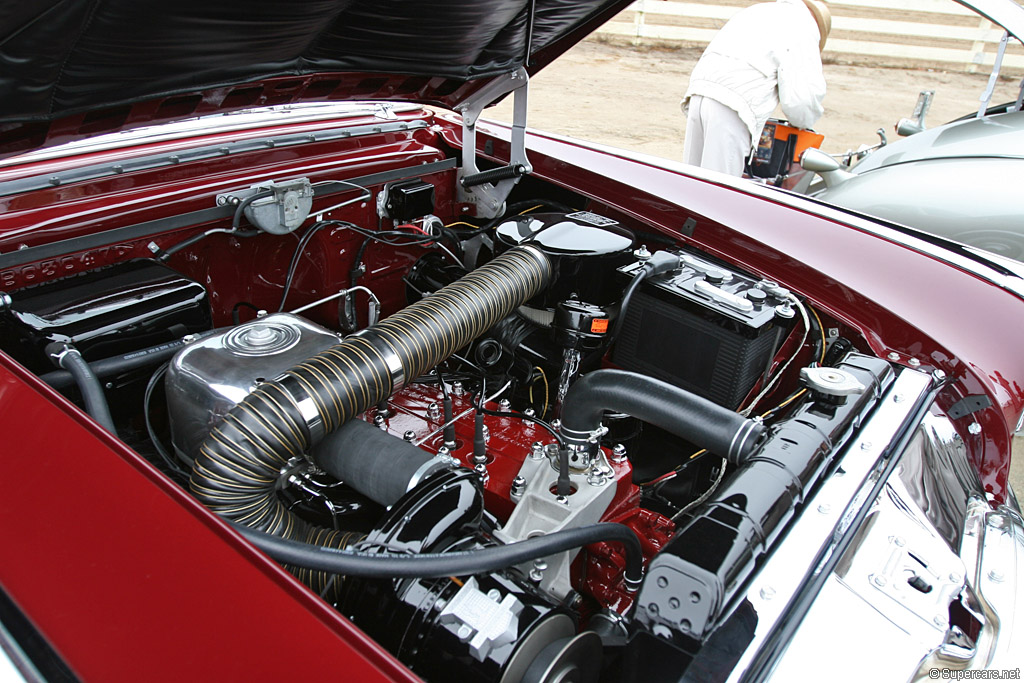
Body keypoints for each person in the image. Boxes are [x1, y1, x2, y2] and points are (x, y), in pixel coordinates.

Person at [682, 0, 831, 176]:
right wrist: (803, 123)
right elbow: (802, 99)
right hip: (734, 103)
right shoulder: (804, 26)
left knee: (692, 177)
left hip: (701, 89)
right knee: (720, 184)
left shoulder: (760, 11)